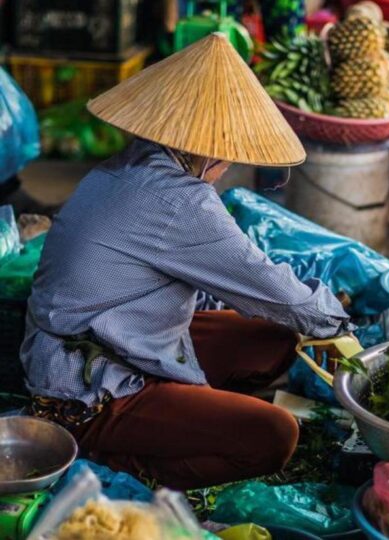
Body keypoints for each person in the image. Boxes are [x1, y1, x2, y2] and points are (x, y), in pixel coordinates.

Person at [20, 33, 352, 490]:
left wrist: (306, 320)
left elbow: (221, 282)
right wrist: (337, 325)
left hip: (114, 336)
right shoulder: (179, 201)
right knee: (275, 434)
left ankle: (189, 416)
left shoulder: (134, 165)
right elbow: (265, 283)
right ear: (212, 151)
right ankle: (131, 467)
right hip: (88, 388)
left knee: (277, 340)